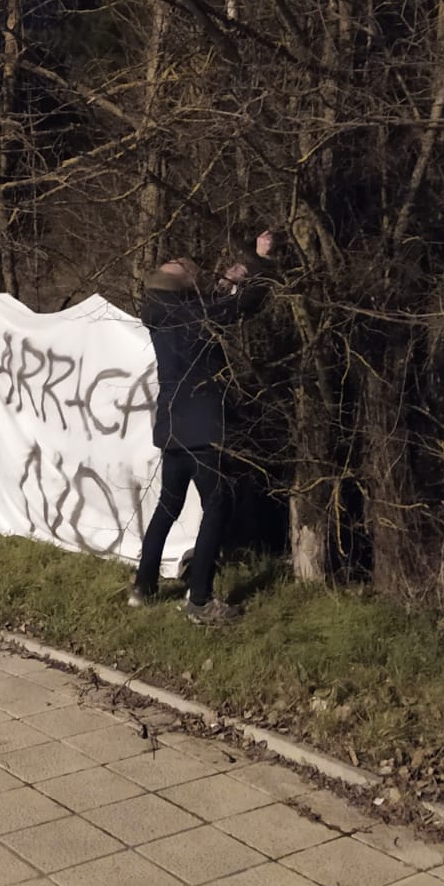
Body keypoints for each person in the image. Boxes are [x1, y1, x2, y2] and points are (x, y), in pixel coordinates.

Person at [133, 229, 275, 624]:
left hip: (173, 428)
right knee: (218, 505)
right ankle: (199, 601)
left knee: (168, 505)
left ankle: (143, 587)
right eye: (195, 272)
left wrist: (244, 265)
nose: (203, 273)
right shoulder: (196, 315)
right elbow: (242, 305)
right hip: (205, 429)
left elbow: (215, 294)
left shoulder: (163, 312)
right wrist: (262, 263)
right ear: (185, 286)